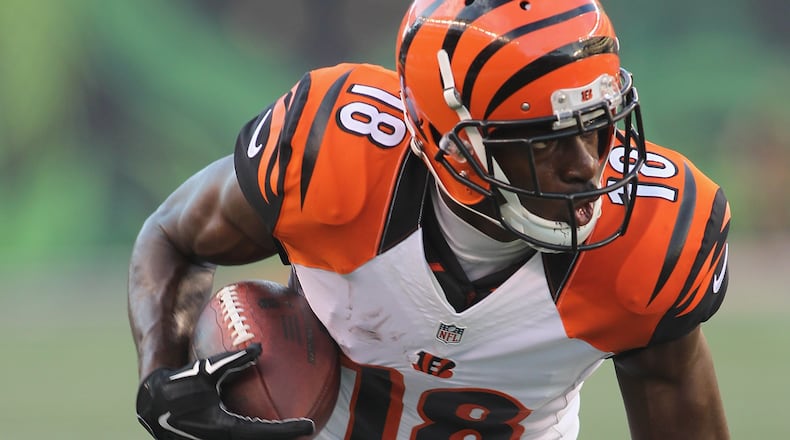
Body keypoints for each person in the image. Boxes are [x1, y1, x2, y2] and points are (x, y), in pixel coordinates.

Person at [129, 1, 731, 439]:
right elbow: (173, 236)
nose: (588, 168)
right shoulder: (334, 158)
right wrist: (162, 381)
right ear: (455, 144)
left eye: (597, 126)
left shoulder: (650, 238)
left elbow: (675, 396)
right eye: (545, 141)